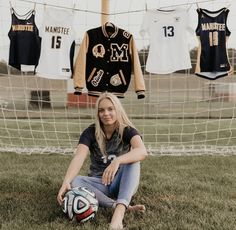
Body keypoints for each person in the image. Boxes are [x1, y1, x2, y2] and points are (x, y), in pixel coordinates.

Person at [57, 92, 147, 230]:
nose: (106, 113)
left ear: (117, 109)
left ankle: (119, 214)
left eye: (110, 109)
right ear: (97, 113)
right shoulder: (91, 132)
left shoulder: (127, 130)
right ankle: (113, 204)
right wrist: (66, 182)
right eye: (101, 110)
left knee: (133, 161)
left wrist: (117, 161)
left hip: (122, 183)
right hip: (99, 186)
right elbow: (79, 157)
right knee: (76, 181)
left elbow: (142, 151)